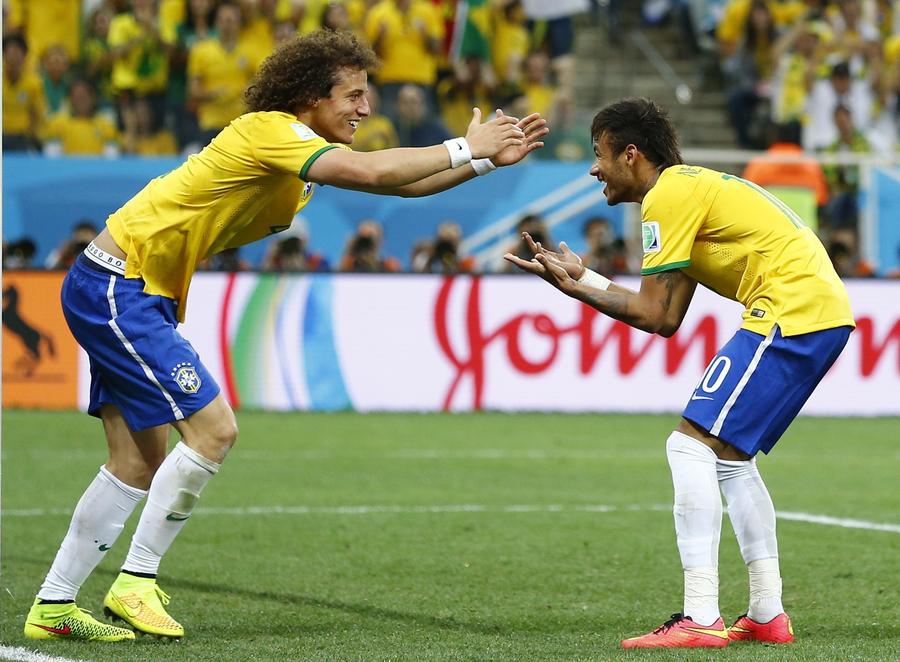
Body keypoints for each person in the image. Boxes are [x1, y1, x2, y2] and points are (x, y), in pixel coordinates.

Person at [23, 28, 546, 643]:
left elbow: (402, 183)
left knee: (137, 461)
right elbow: (376, 170)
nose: (366, 108)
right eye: (352, 95)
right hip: (121, 286)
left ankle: (53, 607)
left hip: (131, 289)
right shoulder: (270, 130)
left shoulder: (299, 154)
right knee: (214, 430)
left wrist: (482, 160)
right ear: (309, 97)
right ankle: (135, 582)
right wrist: (465, 144)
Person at [505, 97, 854, 649]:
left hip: (788, 314)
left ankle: (699, 616)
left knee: (688, 446)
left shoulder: (668, 195)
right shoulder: (690, 192)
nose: (594, 169)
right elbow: (665, 318)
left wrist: (577, 287)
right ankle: (766, 612)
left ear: (630, 153)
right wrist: (589, 279)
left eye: (599, 154)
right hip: (817, 315)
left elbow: (648, 313)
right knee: (729, 458)